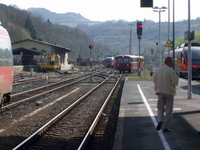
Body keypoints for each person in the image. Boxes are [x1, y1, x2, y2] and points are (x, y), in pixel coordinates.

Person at [153, 57, 179, 132]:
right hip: (169, 92)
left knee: (160, 108)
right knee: (169, 110)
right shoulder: (171, 71)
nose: (172, 63)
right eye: (171, 61)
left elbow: (154, 80)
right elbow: (175, 82)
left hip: (160, 92)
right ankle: (166, 127)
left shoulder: (158, 70)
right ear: (167, 62)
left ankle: (160, 120)